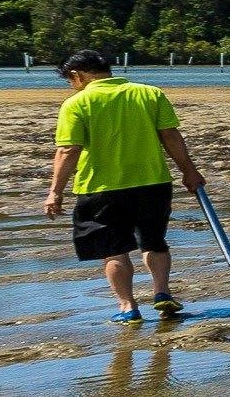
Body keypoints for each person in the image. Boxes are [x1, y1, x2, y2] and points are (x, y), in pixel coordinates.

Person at [43, 53, 208, 324]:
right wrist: (188, 170)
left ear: (77, 75)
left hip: (101, 187)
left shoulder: (77, 103)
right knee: (154, 241)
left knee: (113, 250)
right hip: (152, 182)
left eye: (69, 80)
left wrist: (55, 192)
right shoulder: (149, 94)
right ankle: (161, 293)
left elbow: (68, 150)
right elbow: (170, 136)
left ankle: (127, 307)